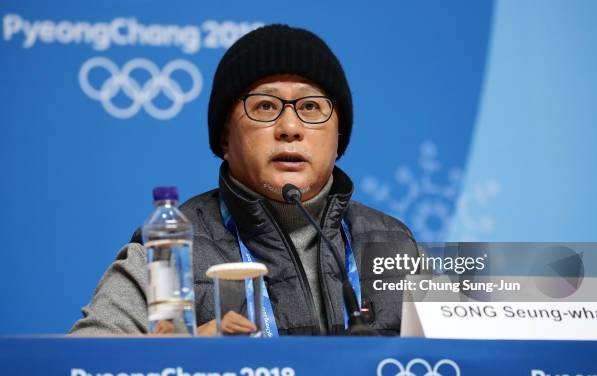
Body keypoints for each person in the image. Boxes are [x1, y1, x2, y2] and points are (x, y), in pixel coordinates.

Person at [70, 24, 416, 337]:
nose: (290, 128)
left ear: (338, 139)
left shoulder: (395, 244)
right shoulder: (168, 253)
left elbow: (456, 370)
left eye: (311, 107)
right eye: (265, 106)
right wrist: (175, 362)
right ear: (224, 139)